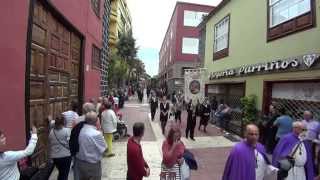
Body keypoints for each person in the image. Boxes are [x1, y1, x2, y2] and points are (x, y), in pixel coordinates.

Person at [74, 112, 106, 180]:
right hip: (92, 164)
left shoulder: (80, 130)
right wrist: (99, 129)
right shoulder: (96, 134)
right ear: (96, 121)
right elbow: (104, 149)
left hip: (80, 162)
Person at [48, 115, 72, 180]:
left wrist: (50, 120)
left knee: (61, 173)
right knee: (64, 174)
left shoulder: (51, 132)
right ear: (63, 122)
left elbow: (51, 124)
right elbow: (70, 143)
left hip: (55, 157)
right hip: (66, 155)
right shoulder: (67, 131)